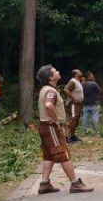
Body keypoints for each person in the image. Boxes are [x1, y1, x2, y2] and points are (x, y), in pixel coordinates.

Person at [34, 65, 93, 194]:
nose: (58, 71)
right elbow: (49, 104)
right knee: (63, 154)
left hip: (44, 126)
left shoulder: (45, 89)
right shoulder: (50, 91)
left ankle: (44, 183)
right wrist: (56, 121)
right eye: (55, 71)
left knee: (48, 155)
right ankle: (75, 183)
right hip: (51, 127)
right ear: (51, 77)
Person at [63, 69, 84, 143]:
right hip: (73, 104)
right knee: (72, 119)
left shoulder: (78, 81)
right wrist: (72, 97)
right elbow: (66, 89)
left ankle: (72, 136)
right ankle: (66, 137)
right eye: (79, 71)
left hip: (78, 104)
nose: (81, 72)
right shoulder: (73, 81)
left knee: (76, 120)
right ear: (76, 74)